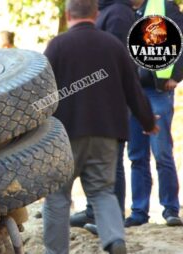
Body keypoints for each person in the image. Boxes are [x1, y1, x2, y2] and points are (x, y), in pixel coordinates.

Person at [42, 0, 159, 252]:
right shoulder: (114, 45)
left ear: (67, 13)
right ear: (96, 14)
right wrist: (148, 121)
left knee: (57, 196)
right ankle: (114, 239)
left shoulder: (57, 46)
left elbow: (42, 92)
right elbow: (133, 89)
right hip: (107, 133)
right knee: (102, 192)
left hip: (65, 135)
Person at [70, 0, 137, 231]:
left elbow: (116, 63)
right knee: (96, 161)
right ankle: (93, 212)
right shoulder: (106, 11)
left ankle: (113, 219)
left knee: (113, 162)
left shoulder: (117, 14)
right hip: (98, 99)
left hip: (110, 100)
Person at [124, 0, 183, 227]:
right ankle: (139, 212)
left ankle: (170, 209)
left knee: (162, 153)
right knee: (137, 155)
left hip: (158, 91)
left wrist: (176, 76)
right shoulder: (119, 11)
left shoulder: (164, 6)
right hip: (133, 93)